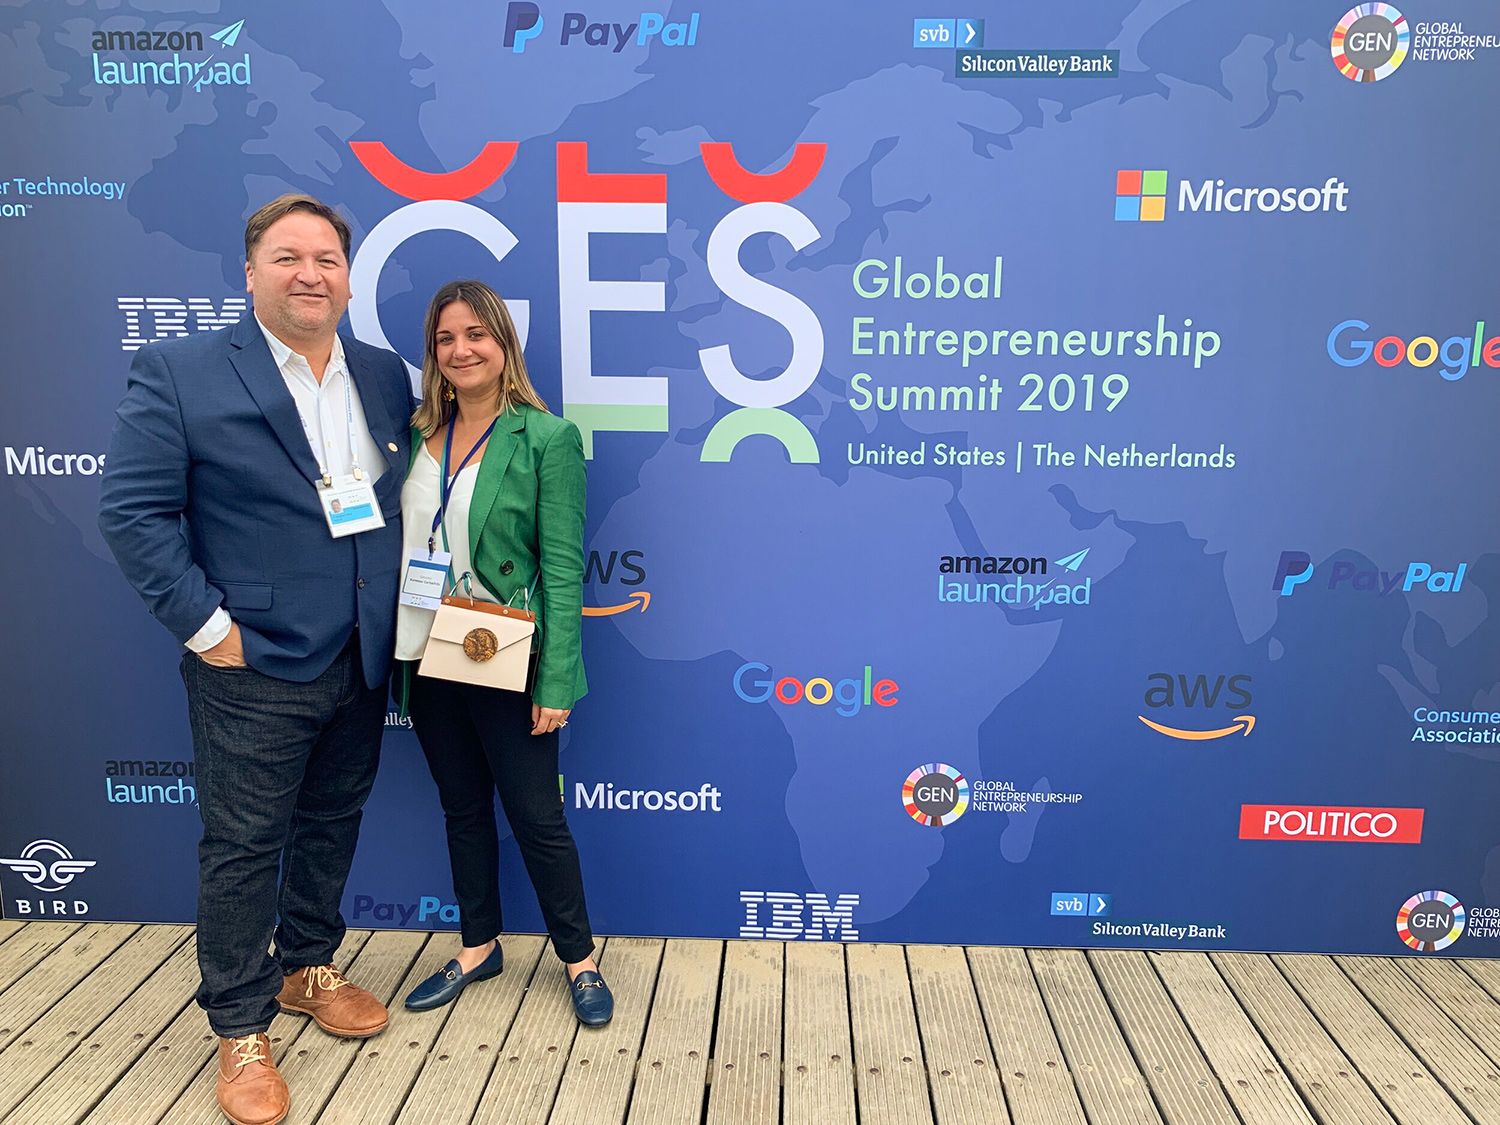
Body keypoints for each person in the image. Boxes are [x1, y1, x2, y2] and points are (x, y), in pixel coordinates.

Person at [98, 194, 413, 1125]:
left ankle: (307, 966)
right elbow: (133, 512)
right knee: (242, 848)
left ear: (349, 276)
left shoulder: (385, 374)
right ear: (250, 272)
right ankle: (239, 1024)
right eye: (288, 257)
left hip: (362, 655)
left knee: (332, 821)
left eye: (327, 257)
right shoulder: (182, 371)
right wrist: (211, 631)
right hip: (250, 665)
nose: (310, 273)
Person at [393, 279, 611, 1026]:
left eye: (476, 335)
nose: (462, 350)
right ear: (434, 353)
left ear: (503, 344)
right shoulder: (413, 433)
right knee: (462, 807)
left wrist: (556, 681)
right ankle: (479, 944)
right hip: (426, 651)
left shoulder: (546, 438)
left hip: (502, 653)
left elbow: (560, 569)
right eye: (446, 338)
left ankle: (579, 959)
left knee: (535, 816)